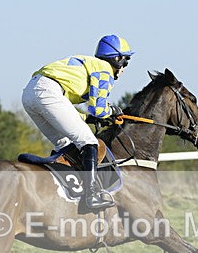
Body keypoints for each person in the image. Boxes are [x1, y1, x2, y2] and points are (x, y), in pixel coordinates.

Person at [22, 34, 134, 211]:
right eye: (126, 62)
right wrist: (111, 112)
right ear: (117, 59)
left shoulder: (91, 64)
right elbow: (98, 109)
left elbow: (70, 112)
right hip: (48, 92)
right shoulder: (105, 69)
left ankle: (65, 193)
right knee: (89, 142)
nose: (125, 68)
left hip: (30, 94)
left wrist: (89, 118)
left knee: (65, 144)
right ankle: (91, 195)